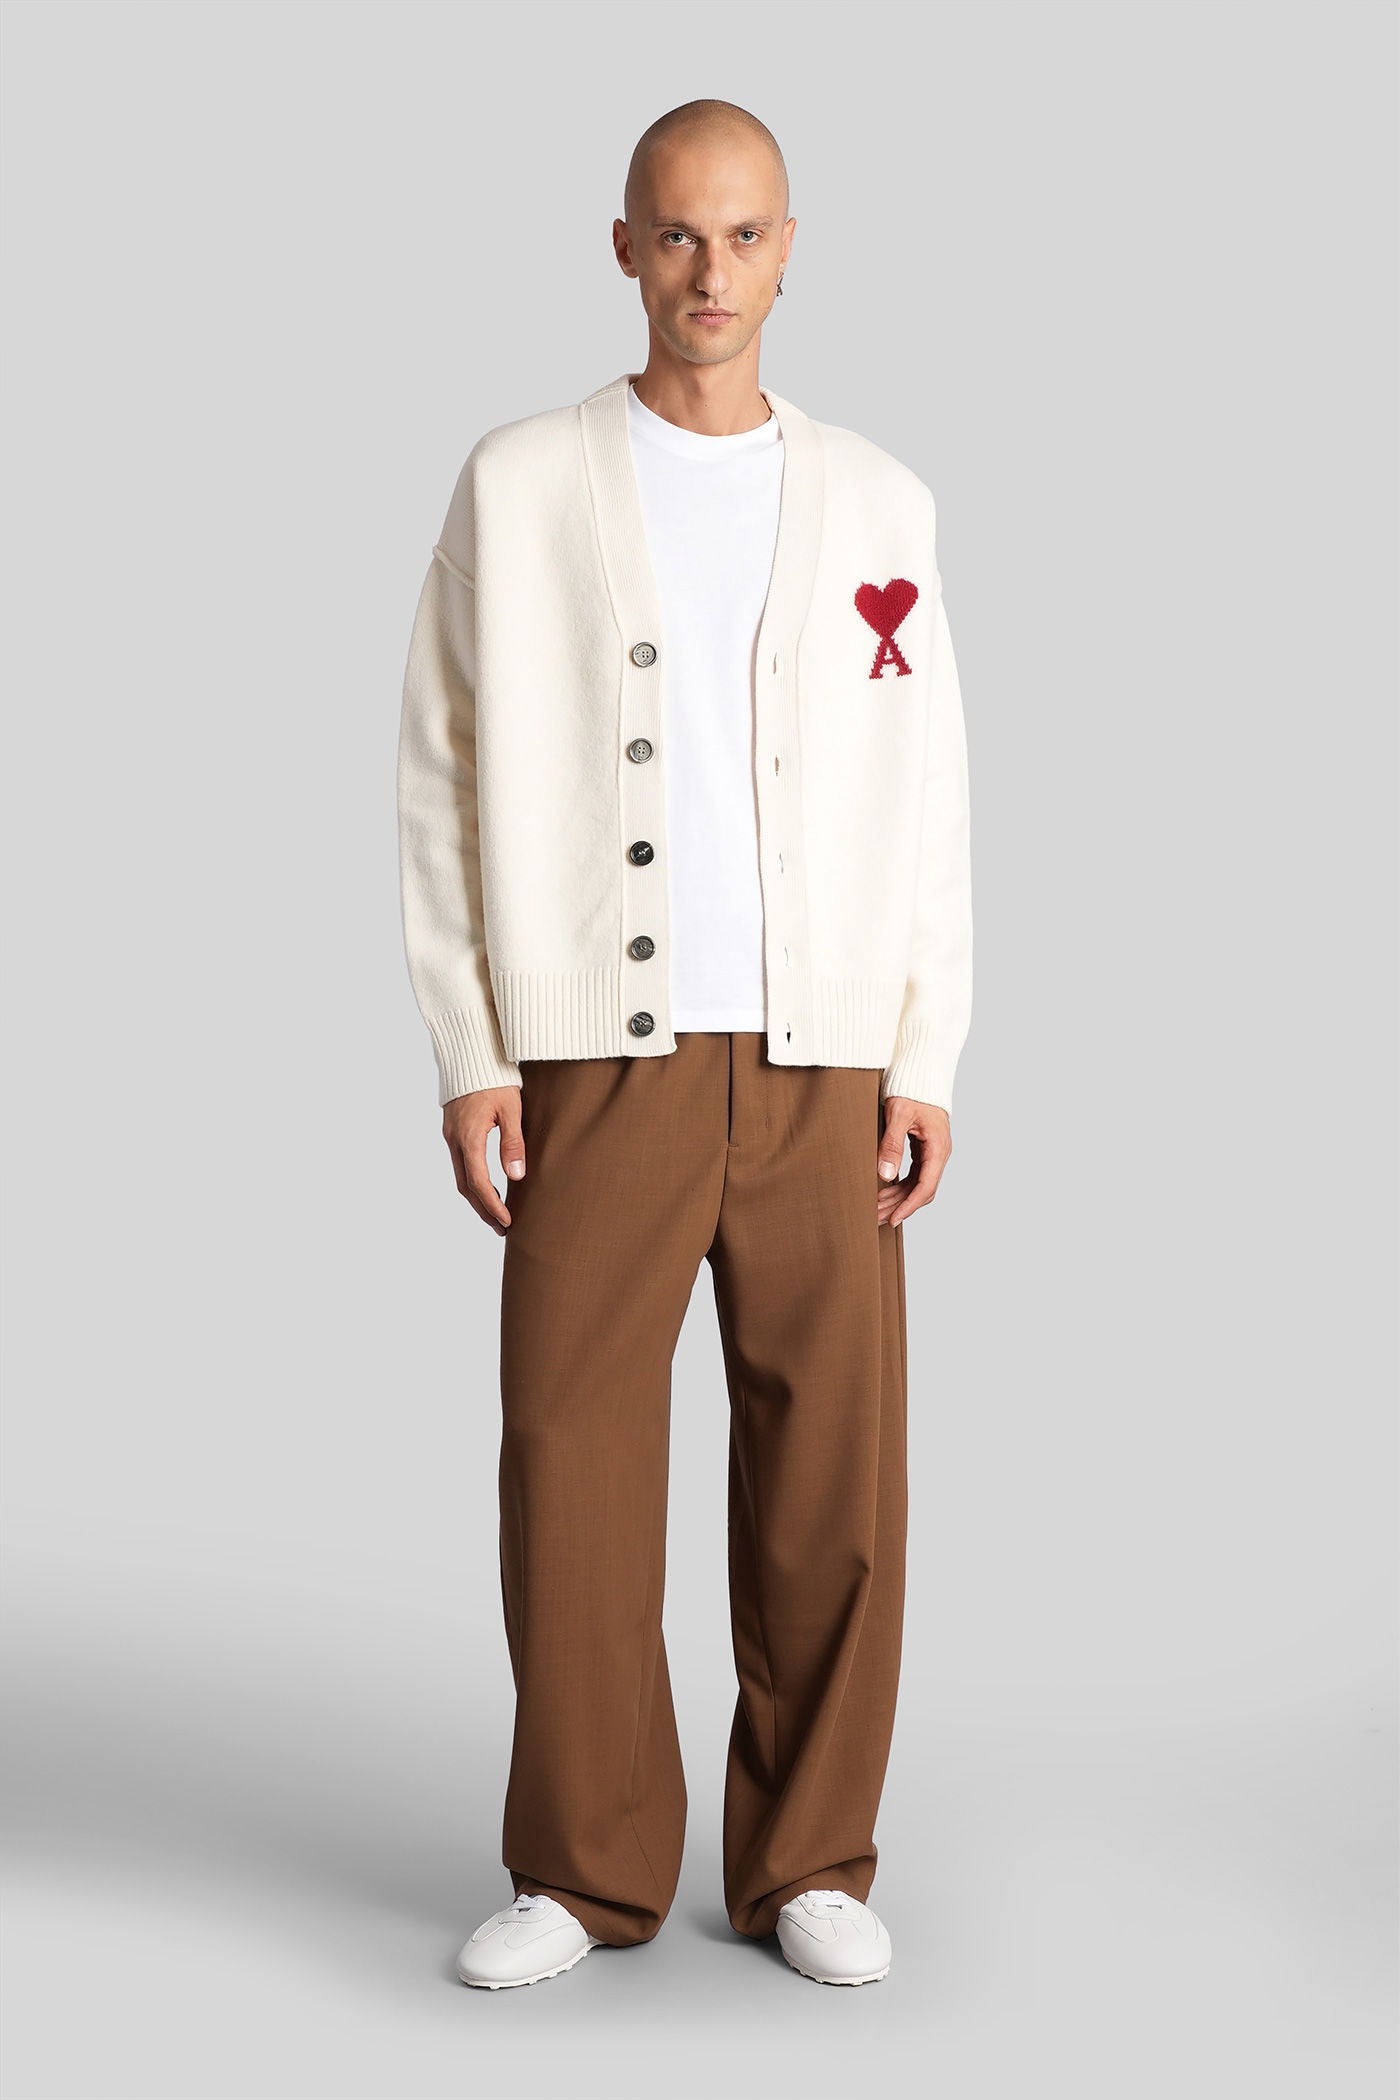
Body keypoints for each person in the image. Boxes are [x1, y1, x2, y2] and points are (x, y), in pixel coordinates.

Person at [396, 98, 973, 1991]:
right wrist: (474, 1046)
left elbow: (930, 793)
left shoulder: (882, 505)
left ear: (790, 249)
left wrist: (924, 1051)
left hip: (821, 1059)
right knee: (569, 1457)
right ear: (623, 247)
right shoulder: (520, 484)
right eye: (674, 233)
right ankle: (583, 1870)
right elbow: (440, 774)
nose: (707, 272)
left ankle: (810, 1856)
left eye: (741, 235)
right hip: (598, 1057)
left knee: (832, 1475)